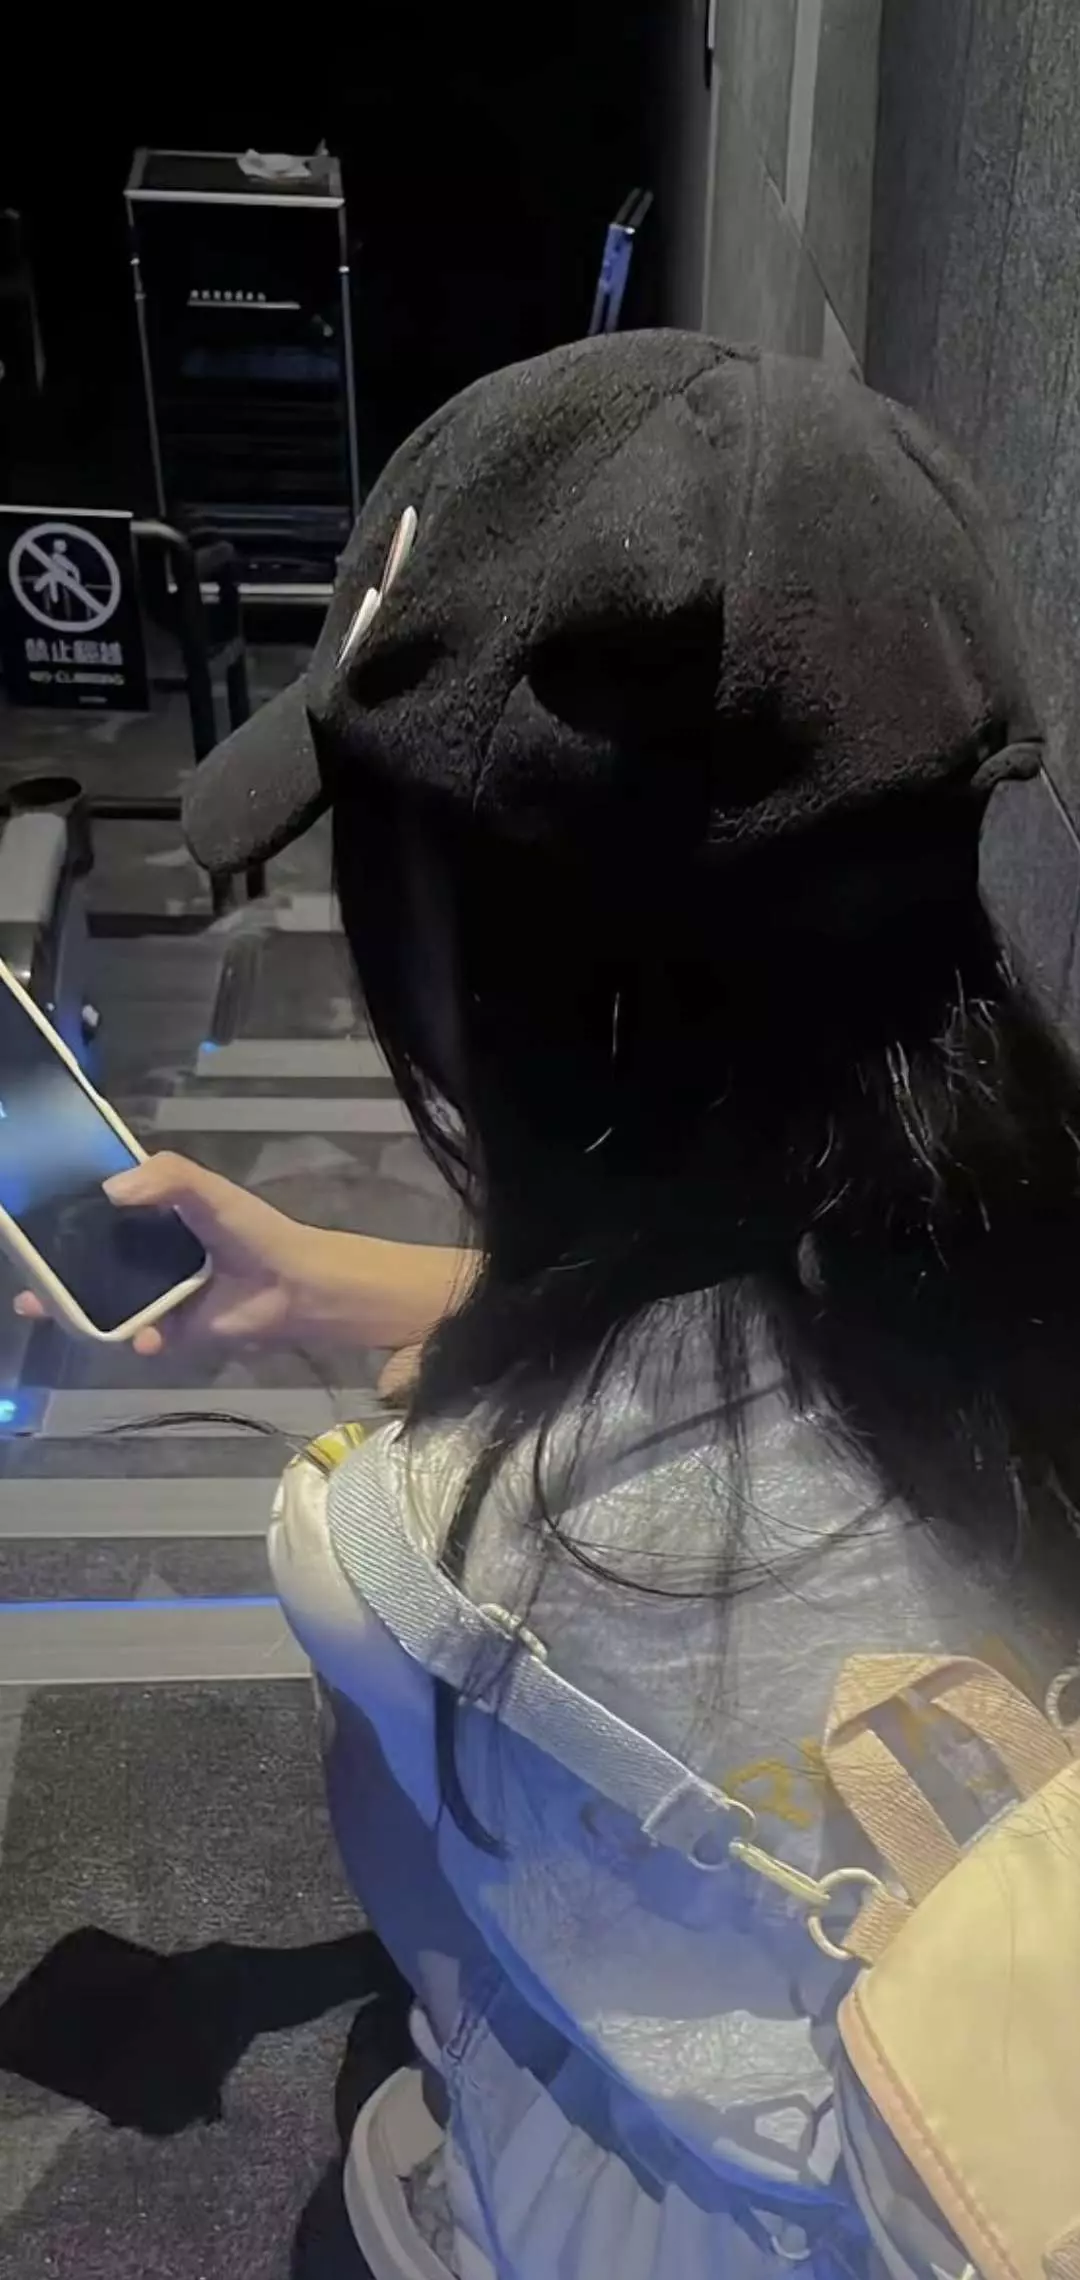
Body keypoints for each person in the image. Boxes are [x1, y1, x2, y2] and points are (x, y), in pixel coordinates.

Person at [23, 334, 1080, 2275]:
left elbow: (583, 1437)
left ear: (479, 972)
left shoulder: (387, 1550)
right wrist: (324, 1278)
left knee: (427, 1882)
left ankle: (489, 2188)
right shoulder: (1013, 1265)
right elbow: (771, 1346)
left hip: (790, 2220)